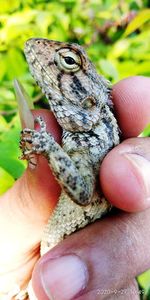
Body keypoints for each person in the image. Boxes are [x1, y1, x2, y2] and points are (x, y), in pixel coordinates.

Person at [0, 76, 150, 300]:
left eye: (68, 62)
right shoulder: (83, 138)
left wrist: (49, 147)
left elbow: (81, 192)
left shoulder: (94, 141)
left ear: (88, 101)